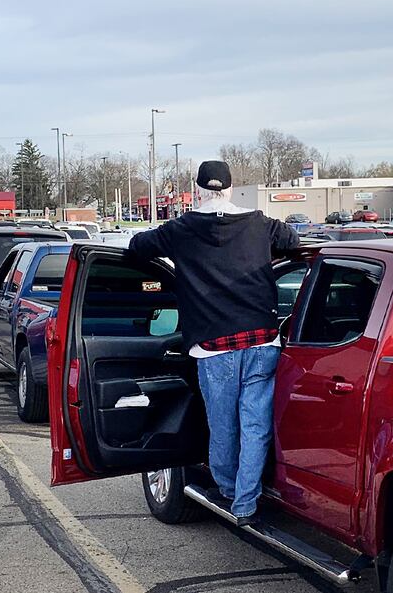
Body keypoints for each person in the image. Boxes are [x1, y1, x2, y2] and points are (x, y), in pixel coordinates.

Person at [127, 160, 299, 528]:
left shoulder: (181, 229)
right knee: (256, 426)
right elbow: (293, 242)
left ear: (200, 189)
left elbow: (137, 246)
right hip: (262, 341)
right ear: (232, 187)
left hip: (214, 347)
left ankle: (227, 490)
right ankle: (246, 503)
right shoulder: (259, 223)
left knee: (222, 426)